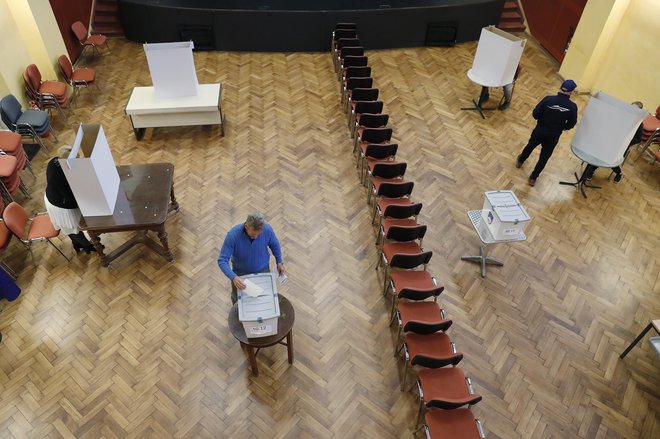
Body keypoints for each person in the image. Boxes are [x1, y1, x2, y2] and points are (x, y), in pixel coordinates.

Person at [516, 79, 578, 186]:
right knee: (544, 157)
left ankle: (520, 160)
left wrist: (543, 119)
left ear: (561, 87)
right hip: (553, 136)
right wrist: (562, 127)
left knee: (530, 146)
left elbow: (535, 114)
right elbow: (571, 124)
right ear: (571, 92)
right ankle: (533, 178)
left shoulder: (548, 99)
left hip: (540, 130)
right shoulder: (572, 107)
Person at [217, 212, 285, 304]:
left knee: (263, 297)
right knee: (239, 301)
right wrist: (233, 277)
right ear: (246, 226)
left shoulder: (267, 229)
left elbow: (275, 244)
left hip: (263, 271)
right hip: (240, 275)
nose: (256, 237)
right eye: (253, 236)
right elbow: (222, 260)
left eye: (259, 235)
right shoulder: (232, 235)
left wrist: (279, 261)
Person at [44, 146, 96, 254]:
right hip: (60, 206)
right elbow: (71, 199)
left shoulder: (54, 161)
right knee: (73, 228)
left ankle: (77, 244)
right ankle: (87, 246)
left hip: (55, 196)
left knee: (71, 228)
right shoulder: (61, 176)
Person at [584, 101, 644, 184]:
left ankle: (619, 173)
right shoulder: (621, 116)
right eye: (631, 108)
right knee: (599, 154)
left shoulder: (639, 125)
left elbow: (638, 139)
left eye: (635, 109)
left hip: (621, 147)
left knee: (612, 160)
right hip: (610, 141)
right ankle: (592, 169)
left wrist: (625, 140)